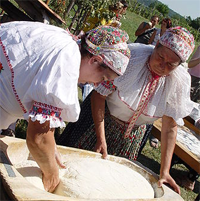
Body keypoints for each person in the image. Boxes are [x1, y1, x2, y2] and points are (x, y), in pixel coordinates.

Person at [57, 26, 197, 194]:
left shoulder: (178, 82)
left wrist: (165, 171)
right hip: (99, 120)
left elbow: (170, 127)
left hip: (131, 135)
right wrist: (100, 138)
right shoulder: (131, 58)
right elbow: (98, 96)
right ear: (157, 44)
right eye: (160, 57)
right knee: (72, 171)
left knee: (108, 184)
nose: (162, 65)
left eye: (171, 65)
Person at [0, 22, 130, 192]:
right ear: (95, 60)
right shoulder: (65, 62)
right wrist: (52, 175)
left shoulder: (68, 44)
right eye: (103, 78)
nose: (97, 84)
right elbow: (38, 137)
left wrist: (50, 146)